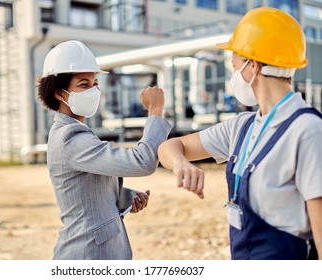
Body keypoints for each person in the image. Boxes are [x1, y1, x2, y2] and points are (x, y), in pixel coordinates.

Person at [158, 7, 322, 260]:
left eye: (234, 65)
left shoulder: (308, 131)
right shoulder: (242, 127)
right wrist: (180, 164)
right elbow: (170, 147)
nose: (233, 74)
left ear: (252, 66)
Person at [37, 40, 172, 259]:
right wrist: (155, 110)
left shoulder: (76, 131)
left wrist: (123, 197)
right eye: (83, 85)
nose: (93, 91)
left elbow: (84, 192)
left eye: (95, 83)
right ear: (58, 93)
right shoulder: (69, 137)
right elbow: (143, 161)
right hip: (86, 254)